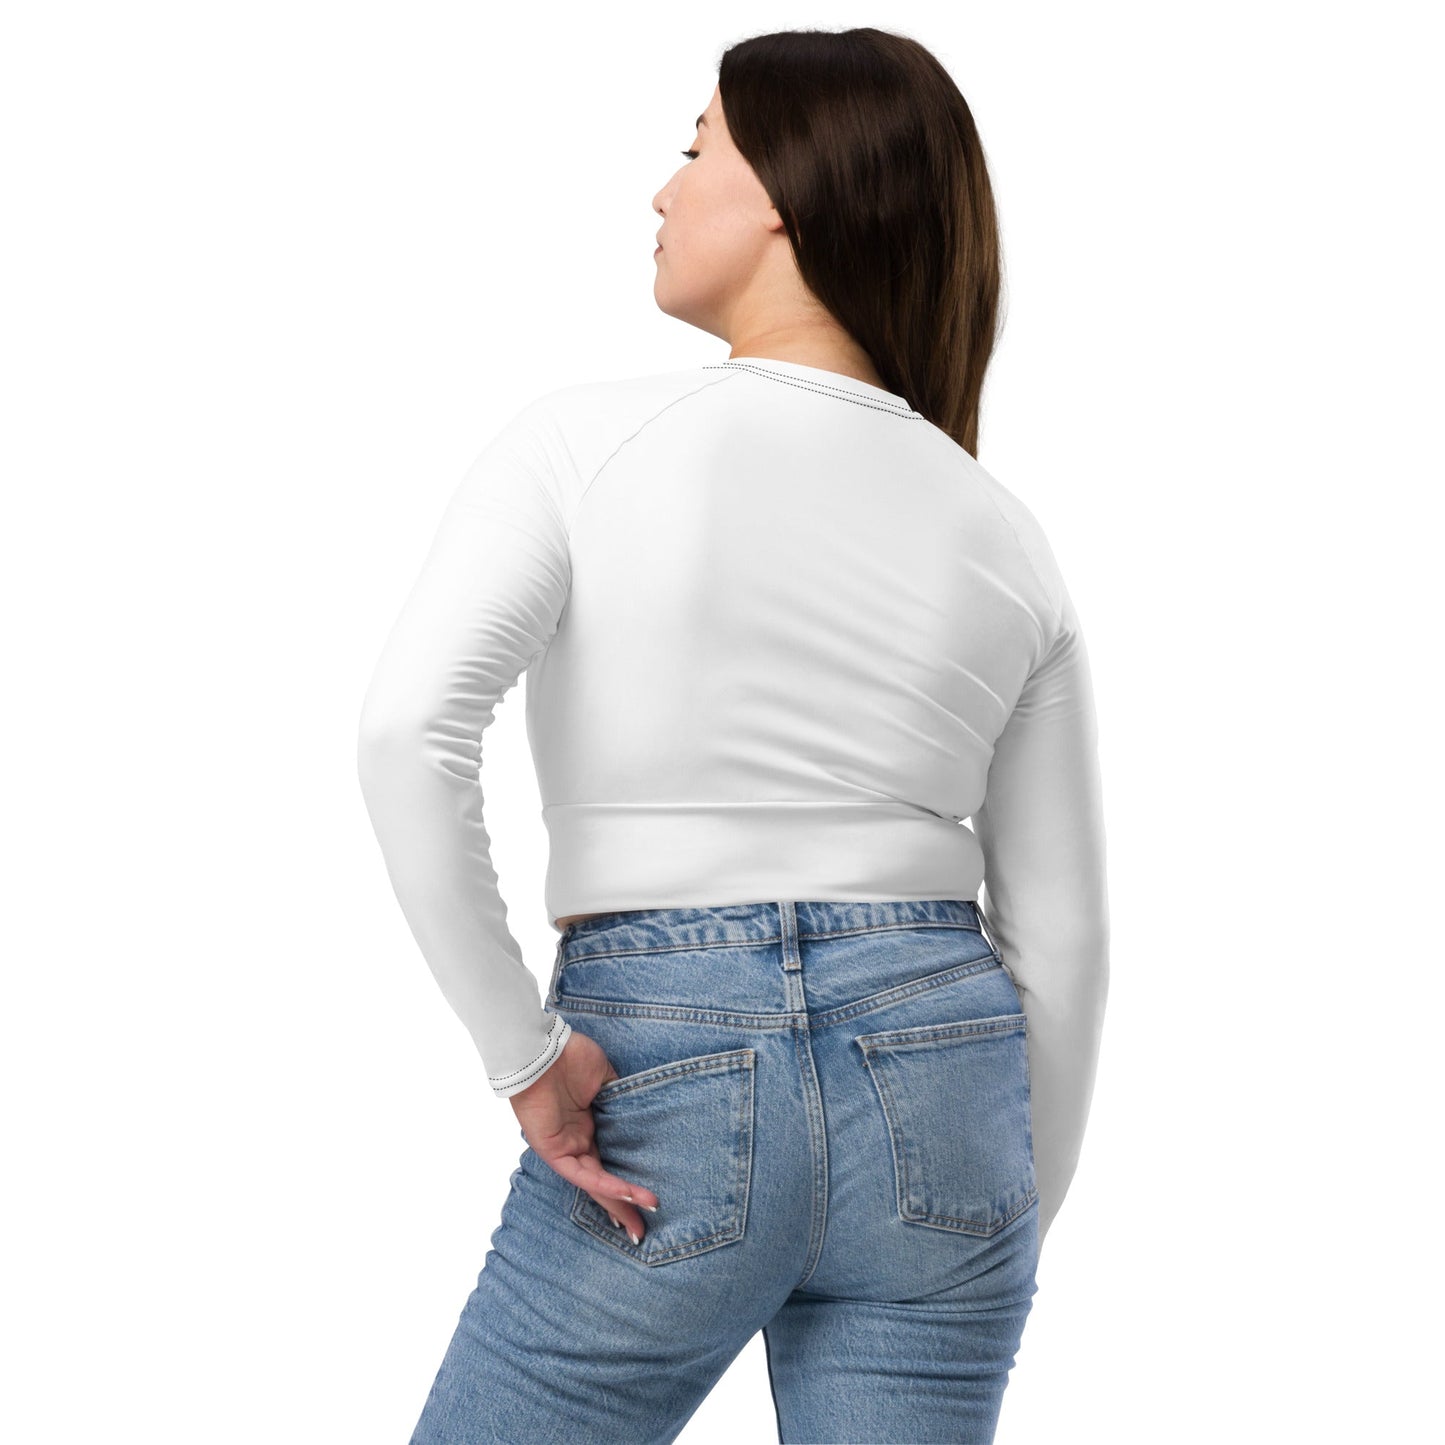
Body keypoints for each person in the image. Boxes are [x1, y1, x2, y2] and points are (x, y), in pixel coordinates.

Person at [356, 25, 1109, 1445]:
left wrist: (524, 1055)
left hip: (666, 1067)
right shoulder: (1000, 530)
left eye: (693, 146)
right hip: (945, 1084)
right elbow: (1061, 942)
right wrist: (994, 1219)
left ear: (780, 188)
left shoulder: (584, 443)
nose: (661, 190)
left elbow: (408, 734)